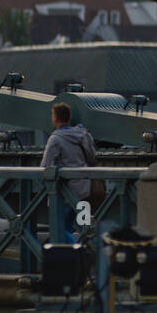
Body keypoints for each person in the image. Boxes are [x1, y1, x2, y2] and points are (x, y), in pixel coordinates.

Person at [41, 102, 97, 242]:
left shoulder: (56, 139)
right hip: (84, 189)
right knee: (82, 228)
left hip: (65, 192)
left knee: (58, 230)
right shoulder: (83, 135)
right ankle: (76, 255)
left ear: (56, 118)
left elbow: (45, 166)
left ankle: (77, 251)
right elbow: (92, 157)